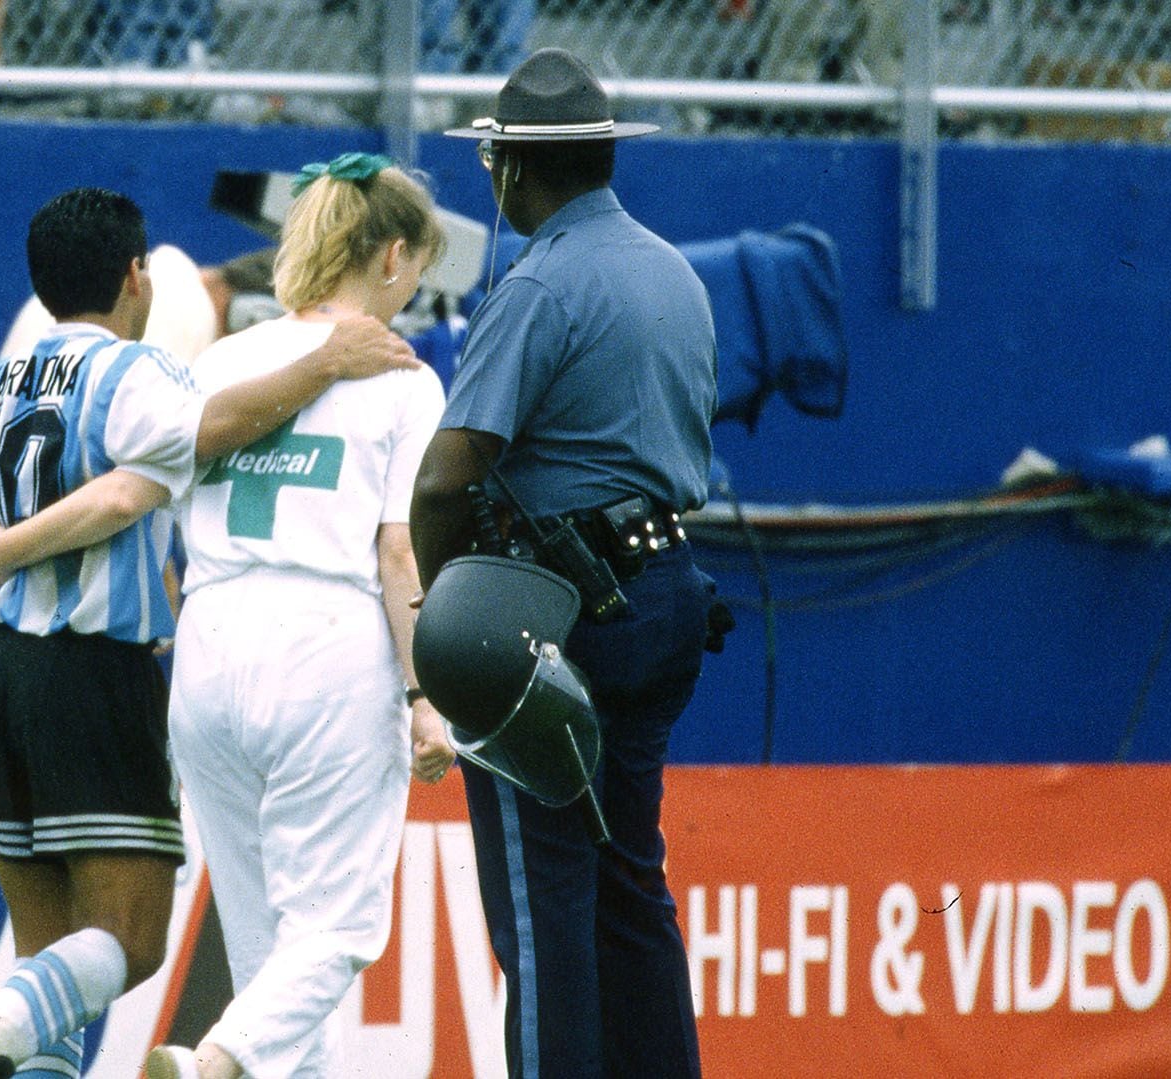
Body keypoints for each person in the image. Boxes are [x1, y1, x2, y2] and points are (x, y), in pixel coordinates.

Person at [0, 186, 417, 1079]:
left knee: (57, 971)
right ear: (135, 276)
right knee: (127, 940)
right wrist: (326, 362)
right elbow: (199, 441)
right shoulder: (134, 375)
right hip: (91, 675)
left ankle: (12, 1026)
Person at [410, 49, 719, 1078]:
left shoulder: (540, 280)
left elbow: (446, 479)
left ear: (510, 168)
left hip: (556, 615)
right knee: (632, 883)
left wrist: (450, 615)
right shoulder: (674, 269)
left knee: (545, 919)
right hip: (665, 587)